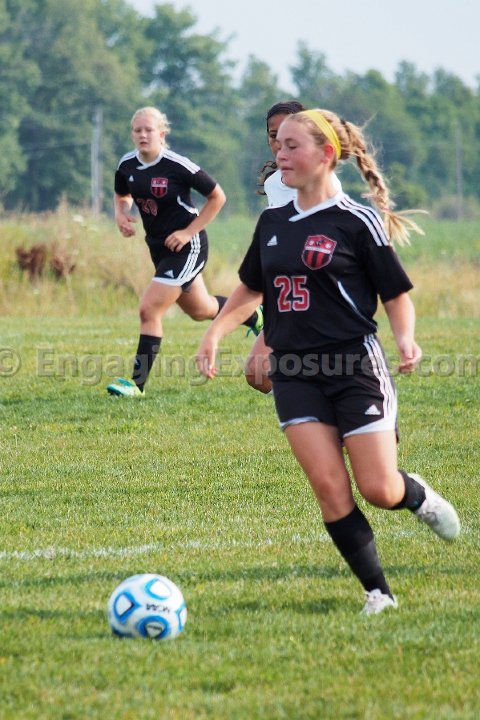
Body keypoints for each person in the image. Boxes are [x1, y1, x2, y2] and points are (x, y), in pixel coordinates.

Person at [196, 107, 460, 615]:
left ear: (326, 154)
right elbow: (250, 288)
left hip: (353, 366)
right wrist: (215, 332)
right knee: (329, 487)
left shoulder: (356, 220)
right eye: (278, 145)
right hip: (294, 371)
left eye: (292, 146)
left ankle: (418, 497)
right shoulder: (272, 221)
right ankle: (378, 594)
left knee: (378, 488)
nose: (280, 154)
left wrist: (406, 339)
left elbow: (395, 293)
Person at [107, 106, 263, 397]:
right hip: (158, 248)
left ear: (162, 133)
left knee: (149, 308)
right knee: (201, 310)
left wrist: (188, 232)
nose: (142, 135)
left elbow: (217, 197)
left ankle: (136, 385)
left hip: (188, 246)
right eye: (137, 130)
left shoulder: (177, 165)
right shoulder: (127, 164)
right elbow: (122, 193)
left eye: (149, 130)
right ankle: (254, 315)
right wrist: (121, 214)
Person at [246, 101, 342, 394]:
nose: (280, 141)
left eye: (290, 135)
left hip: (320, 291)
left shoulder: (322, 180)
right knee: (258, 375)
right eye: (273, 134)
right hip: (285, 292)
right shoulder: (274, 183)